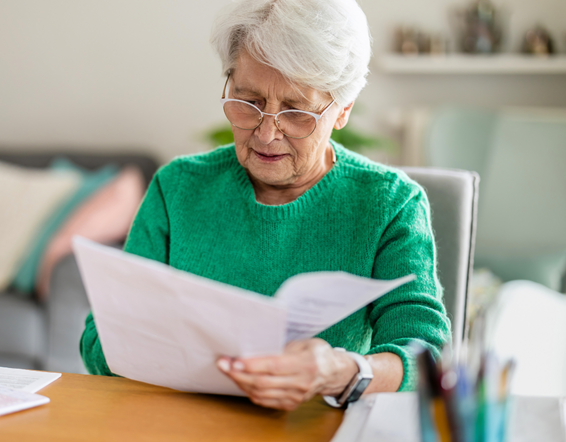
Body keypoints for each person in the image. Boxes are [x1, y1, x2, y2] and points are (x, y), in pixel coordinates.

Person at [80, 0, 450, 411]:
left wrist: (341, 371)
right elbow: (99, 340)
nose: (267, 132)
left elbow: (427, 354)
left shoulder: (390, 203)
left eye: (296, 111)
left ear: (342, 111)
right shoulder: (178, 187)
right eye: (249, 100)